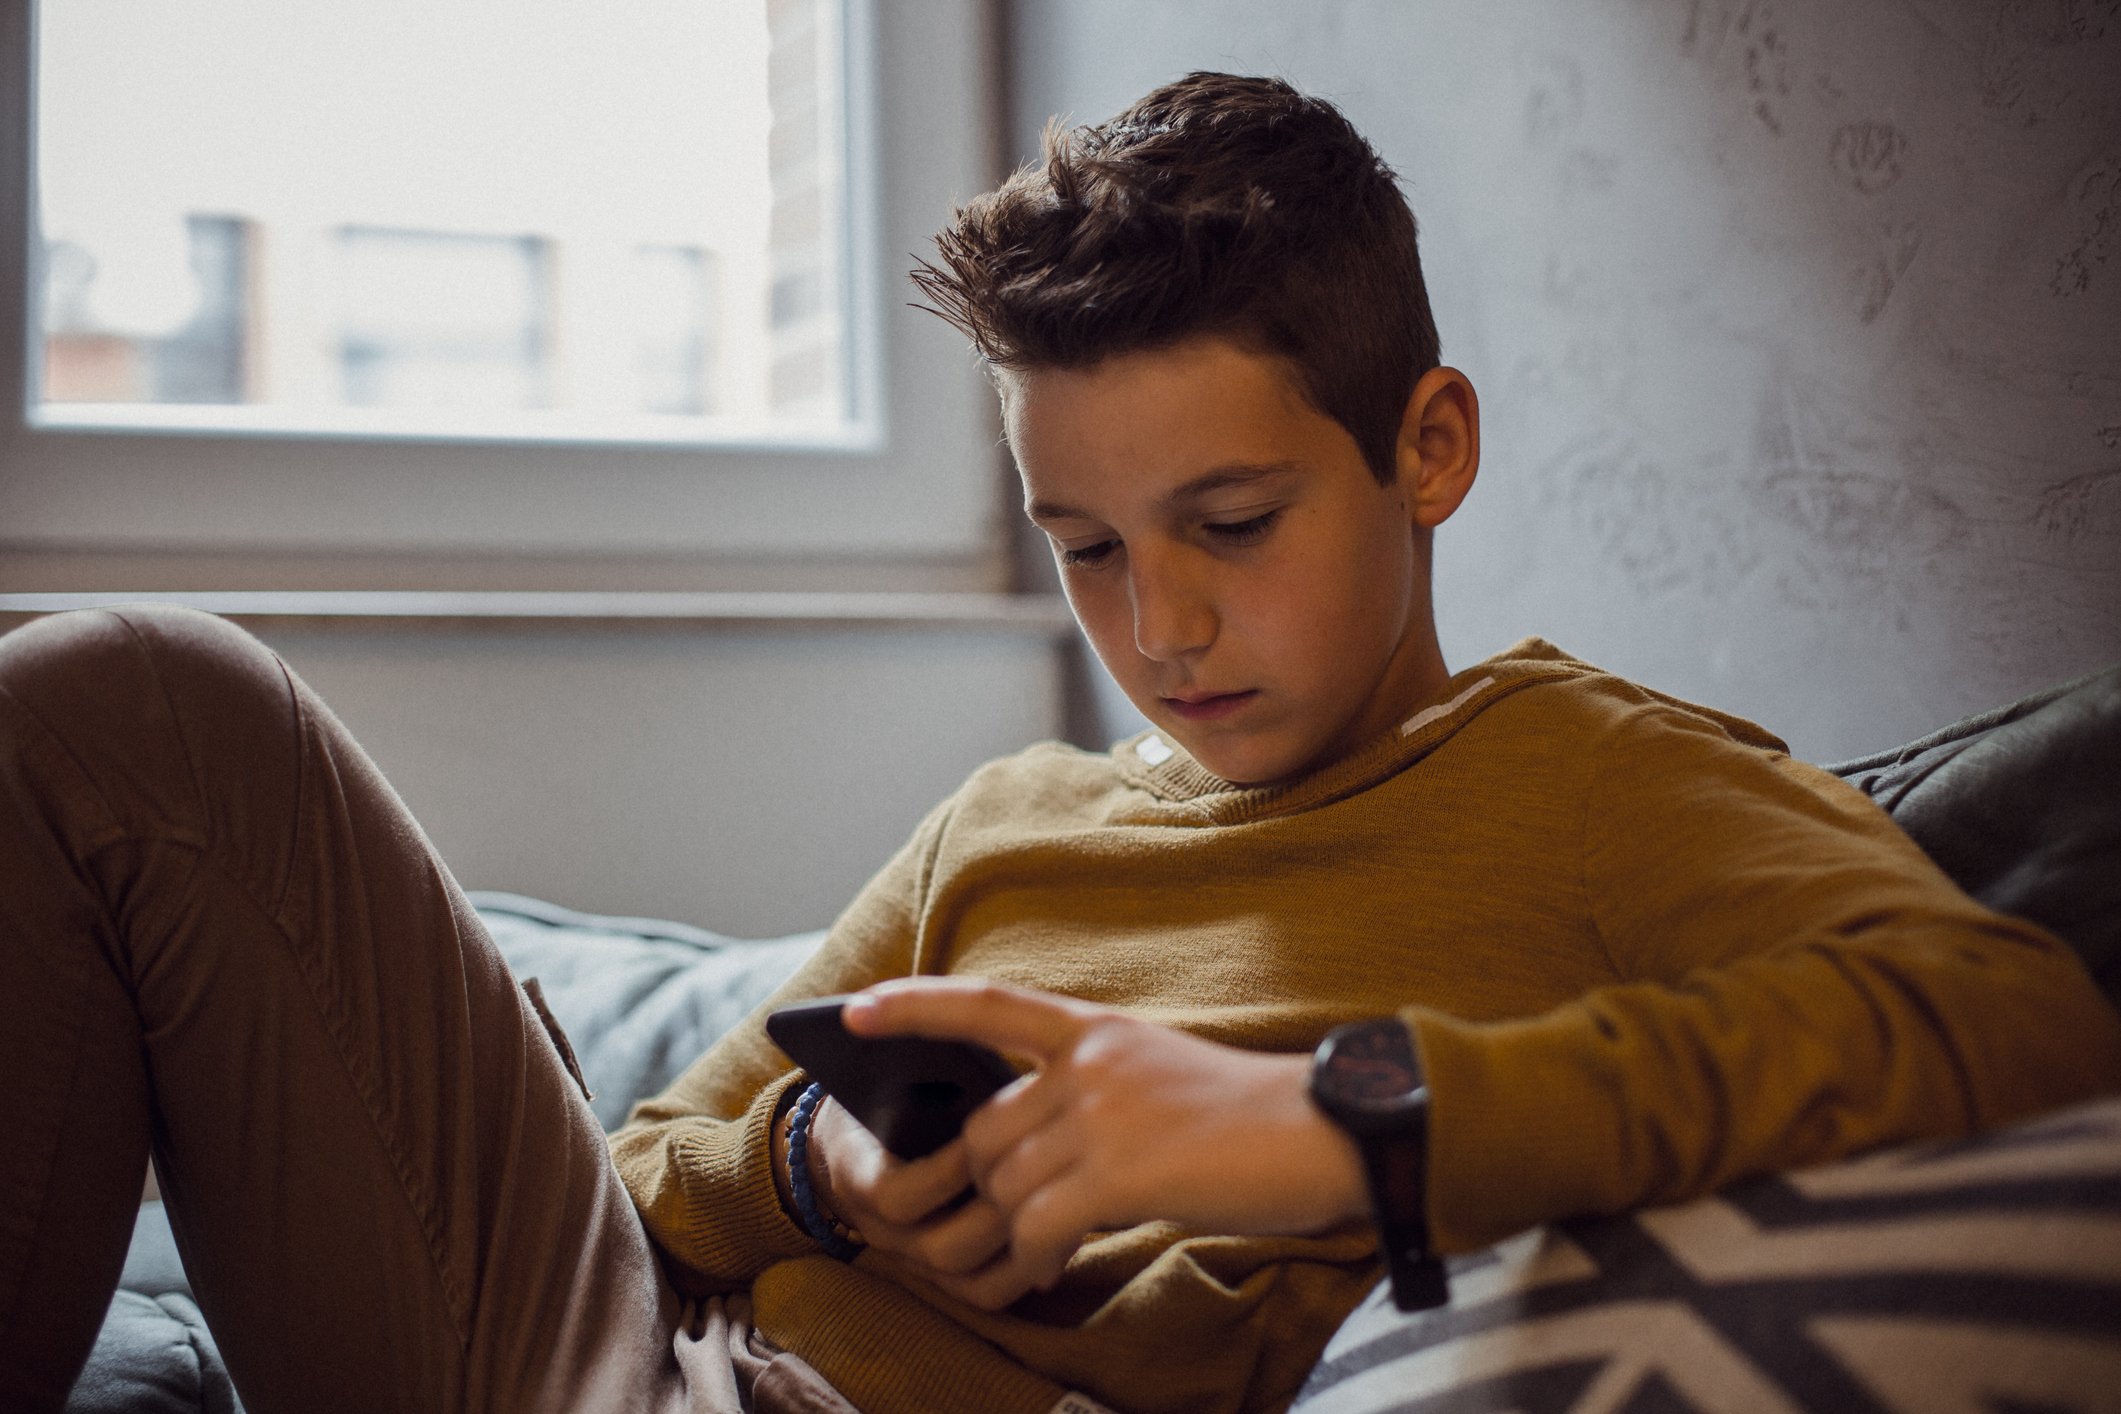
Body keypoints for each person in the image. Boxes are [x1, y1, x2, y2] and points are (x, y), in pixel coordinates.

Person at [0, 71, 2113, 1414]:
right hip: (635, 1362)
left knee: (134, 697)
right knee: (98, 702)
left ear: (1426, 445)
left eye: (1229, 525)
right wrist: (824, 1178)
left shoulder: (1596, 777)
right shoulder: (1003, 823)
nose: (1157, 624)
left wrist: (1326, 1122)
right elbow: (641, 1184)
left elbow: (2001, 1015)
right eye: (1084, 546)